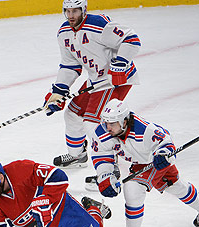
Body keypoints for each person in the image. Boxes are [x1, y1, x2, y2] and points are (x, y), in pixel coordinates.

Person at [91, 98, 199, 227]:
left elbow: (165, 140)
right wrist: (105, 177)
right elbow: (101, 156)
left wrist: (163, 153)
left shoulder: (145, 130)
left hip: (154, 160)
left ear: (125, 121)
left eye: (112, 124)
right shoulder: (102, 132)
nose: (107, 127)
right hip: (139, 161)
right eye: (106, 123)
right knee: (174, 186)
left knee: (132, 188)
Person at [44, 0, 141, 168]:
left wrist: (120, 63)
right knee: (72, 114)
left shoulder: (98, 24)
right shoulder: (64, 33)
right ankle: (77, 155)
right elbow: (70, 65)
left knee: (93, 123)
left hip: (115, 80)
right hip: (96, 80)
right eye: (67, 11)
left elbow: (131, 39)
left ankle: (109, 166)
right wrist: (59, 91)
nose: (71, 15)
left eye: (75, 11)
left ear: (84, 10)